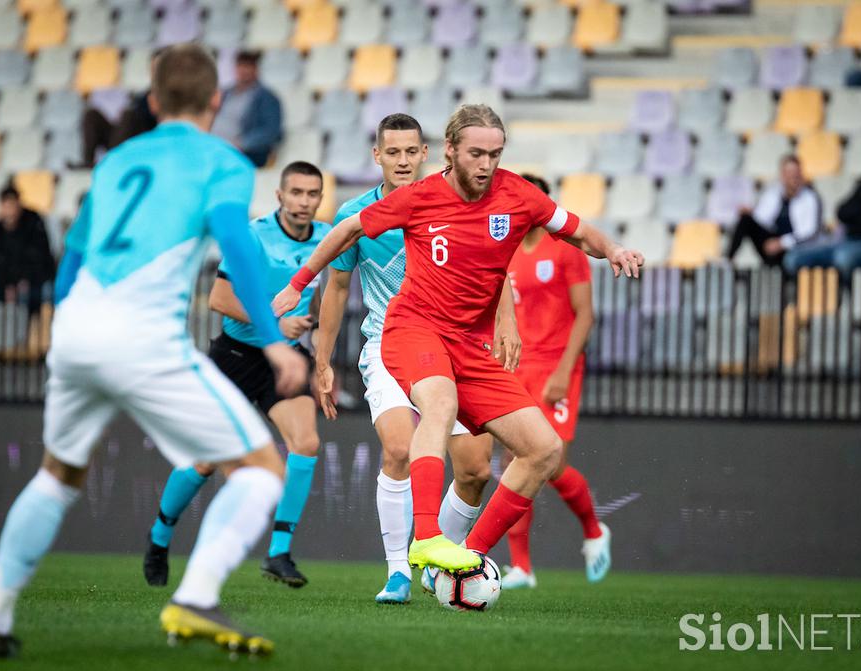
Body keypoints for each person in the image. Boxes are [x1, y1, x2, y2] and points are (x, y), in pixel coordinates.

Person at [0, 44, 306, 661]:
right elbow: (239, 249)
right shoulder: (223, 162)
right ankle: (197, 595)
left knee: (57, 475)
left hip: (75, 329)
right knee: (262, 471)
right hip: (141, 336)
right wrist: (277, 342)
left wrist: (61, 329)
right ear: (215, 101)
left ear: (153, 102)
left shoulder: (118, 159)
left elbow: (72, 257)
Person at [273, 104, 643, 573]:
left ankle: (469, 558)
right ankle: (425, 539)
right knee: (438, 405)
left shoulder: (518, 195)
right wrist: (298, 284)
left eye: (495, 153)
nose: (486, 165)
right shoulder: (421, 196)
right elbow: (347, 229)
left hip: (470, 345)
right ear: (449, 151)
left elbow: (576, 231)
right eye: (475, 154)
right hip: (413, 330)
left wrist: (612, 249)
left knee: (543, 450)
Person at [313, 114, 520, 604]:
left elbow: (494, 264)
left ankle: (433, 558)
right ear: (377, 156)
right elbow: (337, 287)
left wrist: (506, 319)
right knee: (400, 449)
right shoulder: (357, 214)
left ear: (426, 153)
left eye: (411, 151)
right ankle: (398, 571)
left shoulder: (453, 200)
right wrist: (322, 360)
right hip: (389, 344)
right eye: (393, 152)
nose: (403, 160)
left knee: (474, 470)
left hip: (452, 345)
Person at [142, 162, 330, 590]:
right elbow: (219, 298)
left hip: (284, 357)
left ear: (320, 199)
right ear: (280, 196)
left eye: (312, 194)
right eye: (296, 192)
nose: (303, 201)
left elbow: (315, 295)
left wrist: (314, 337)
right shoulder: (253, 234)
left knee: (306, 442)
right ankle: (160, 536)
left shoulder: (323, 239)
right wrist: (274, 326)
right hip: (237, 354)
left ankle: (279, 552)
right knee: (205, 460)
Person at [500, 175, 610, 590]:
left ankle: (594, 530)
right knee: (514, 463)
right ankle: (522, 567)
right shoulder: (506, 250)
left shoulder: (564, 248)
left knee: (551, 463)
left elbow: (585, 314)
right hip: (518, 365)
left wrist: (565, 371)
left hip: (557, 365)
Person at [783, 134, 861, 278]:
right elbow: (842, 212)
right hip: (850, 241)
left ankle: (846, 299)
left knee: (844, 258)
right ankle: (808, 298)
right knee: (794, 257)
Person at [724, 155, 821, 267]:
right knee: (746, 219)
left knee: (784, 257)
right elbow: (761, 218)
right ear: (782, 175)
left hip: (795, 248)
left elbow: (810, 232)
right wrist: (751, 213)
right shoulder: (773, 193)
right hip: (772, 243)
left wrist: (782, 243)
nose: (793, 176)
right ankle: (727, 260)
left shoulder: (810, 198)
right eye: (789, 172)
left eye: (796, 172)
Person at [77, 54, 159, 169]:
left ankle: (113, 162)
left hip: (146, 140)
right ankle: (88, 162)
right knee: (91, 115)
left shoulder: (171, 96)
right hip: (124, 140)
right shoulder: (143, 95)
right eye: (153, 67)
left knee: (128, 115)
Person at [0, 185, 56, 311]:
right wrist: (7, 285)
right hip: (9, 283)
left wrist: (24, 279)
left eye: (13, 205)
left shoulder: (34, 224)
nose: (10, 211)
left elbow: (40, 258)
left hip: (36, 279)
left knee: (37, 293)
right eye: (6, 206)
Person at [212, 50, 283, 168]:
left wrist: (241, 144)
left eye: (248, 66)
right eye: (241, 65)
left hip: (242, 153)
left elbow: (271, 132)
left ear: (256, 69)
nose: (244, 70)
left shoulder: (267, 98)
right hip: (215, 147)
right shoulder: (225, 93)